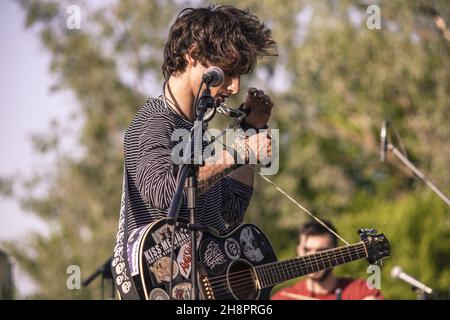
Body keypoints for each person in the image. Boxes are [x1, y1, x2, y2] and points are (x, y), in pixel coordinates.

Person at [112, 5, 277, 299]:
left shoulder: (201, 130)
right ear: (194, 55)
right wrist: (237, 153)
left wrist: (251, 129)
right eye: (227, 73)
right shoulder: (153, 121)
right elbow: (164, 194)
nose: (235, 87)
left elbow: (232, 210)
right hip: (157, 285)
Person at [271, 220, 383, 300]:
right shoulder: (283, 297)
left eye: (321, 251)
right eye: (307, 249)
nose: (312, 258)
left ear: (335, 253)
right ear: (298, 251)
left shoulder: (361, 290)